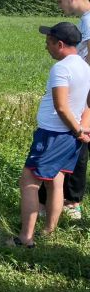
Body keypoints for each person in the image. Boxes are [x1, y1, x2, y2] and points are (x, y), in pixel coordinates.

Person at [9, 22, 90, 248]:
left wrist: (77, 129)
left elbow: (62, 107)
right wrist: (81, 130)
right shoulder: (85, 67)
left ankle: (26, 238)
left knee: (28, 182)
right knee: (56, 181)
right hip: (69, 137)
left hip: (53, 135)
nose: (46, 47)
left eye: (49, 43)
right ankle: (49, 231)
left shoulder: (61, 69)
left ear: (60, 44)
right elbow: (87, 104)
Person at [39, 0, 90, 219]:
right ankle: (66, 198)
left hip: (85, 93)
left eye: (60, 1)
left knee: (79, 140)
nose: (61, 7)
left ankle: (72, 201)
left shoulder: (89, 21)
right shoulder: (85, 20)